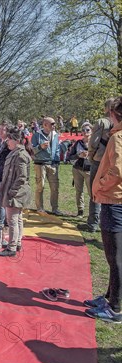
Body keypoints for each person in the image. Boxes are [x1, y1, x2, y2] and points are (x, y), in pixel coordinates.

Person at [85, 96, 122, 323]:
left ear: (113, 114)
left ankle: (115, 308)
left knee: (114, 257)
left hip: (113, 201)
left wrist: (99, 185)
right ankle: (110, 298)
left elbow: (118, 170)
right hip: (115, 200)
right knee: (114, 256)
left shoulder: (117, 138)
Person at [0, 127, 32, 256]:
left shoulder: (20, 155)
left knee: (12, 220)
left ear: (16, 140)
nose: (7, 142)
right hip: (15, 192)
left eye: (9, 139)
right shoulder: (16, 152)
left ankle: (11, 248)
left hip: (16, 193)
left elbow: (22, 177)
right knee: (18, 219)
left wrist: (12, 191)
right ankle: (17, 242)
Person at [82, 98, 115, 232]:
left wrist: (91, 154)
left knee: (95, 191)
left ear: (106, 108)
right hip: (114, 161)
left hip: (99, 159)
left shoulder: (102, 122)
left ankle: (93, 223)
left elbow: (93, 142)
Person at [31, 116, 62, 216]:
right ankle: (40, 208)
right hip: (40, 164)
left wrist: (57, 162)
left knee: (55, 187)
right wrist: (40, 147)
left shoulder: (55, 135)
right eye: (52, 124)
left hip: (52, 164)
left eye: (54, 123)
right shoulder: (36, 136)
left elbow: (57, 149)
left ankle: (55, 209)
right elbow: (32, 150)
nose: (54, 125)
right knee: (40, 186)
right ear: (45, 125)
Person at [69, 127, 92, 217]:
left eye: (87, 130)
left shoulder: (95, 143)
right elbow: (70, 157)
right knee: (79, 191)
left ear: (92, 131)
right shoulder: (78, 143)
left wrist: (89, 155)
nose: (85, 132)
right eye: (83, 130)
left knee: (91, 192)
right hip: (77, 169)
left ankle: (93, 213)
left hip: (90, 170)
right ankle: (80, 210)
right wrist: (79, 155)